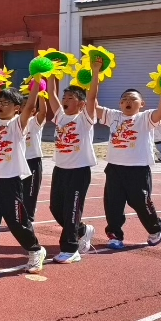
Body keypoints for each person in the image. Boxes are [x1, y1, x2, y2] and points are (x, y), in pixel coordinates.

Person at [0, 75, 47, 280]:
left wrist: (37, 81)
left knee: (16, 222)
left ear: (16, 108)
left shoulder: (17, 124)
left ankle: (35, 249)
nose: (0, 106)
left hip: (10, 182)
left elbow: (31, 107)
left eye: (6, 103)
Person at [94, 76, 161, 249]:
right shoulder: (113, 116)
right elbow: (93, 105)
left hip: (138, 169)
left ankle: (156, 227)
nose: (127, 101)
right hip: (114, 168)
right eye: (124, 99)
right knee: (113, 203)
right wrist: (94, 79)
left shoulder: (145, 117)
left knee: (141, 202)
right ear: (120, 104)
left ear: (141, 104)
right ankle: (115, 235)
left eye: (132, 99)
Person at [46, 74, 98, 264]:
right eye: (64, 98)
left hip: (79, 171)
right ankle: (82, 230)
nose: (65, 101)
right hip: (60, 169)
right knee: (55, 208)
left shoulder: (85, 119)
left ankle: (70, 249)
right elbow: (51, 94)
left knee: (71, 210)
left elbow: (91, 96)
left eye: (70, 98)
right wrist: (50, 74)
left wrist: (95, 74)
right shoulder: (60, 116)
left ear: (81, 104)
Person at [23, 87, 49, 221]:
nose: (24, 109)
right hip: (19, 162)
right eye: (22, 106)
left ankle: (30, 218)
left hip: (33, 161)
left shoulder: (34, 122)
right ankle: (21, 215)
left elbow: (43, 112)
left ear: (33, 110)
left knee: (31, 192)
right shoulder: (15, 122)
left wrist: (41, 94)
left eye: (28, 107)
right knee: (18, 192)